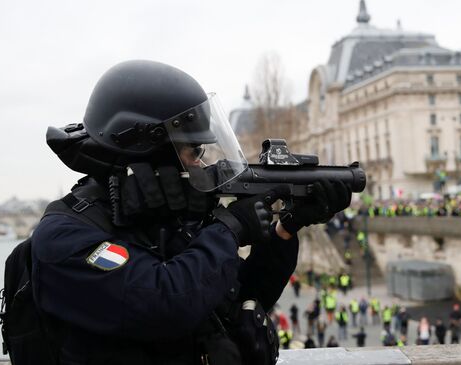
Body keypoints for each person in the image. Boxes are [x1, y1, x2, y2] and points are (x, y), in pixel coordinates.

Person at [29, 60, 352, 365]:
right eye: (193, 150)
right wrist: (230, 228)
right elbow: (166, 305)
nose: (201, 162)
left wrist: (284, 230)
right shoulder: (65, 236)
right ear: (152, 151)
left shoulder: (161, 219)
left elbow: (243, 299)